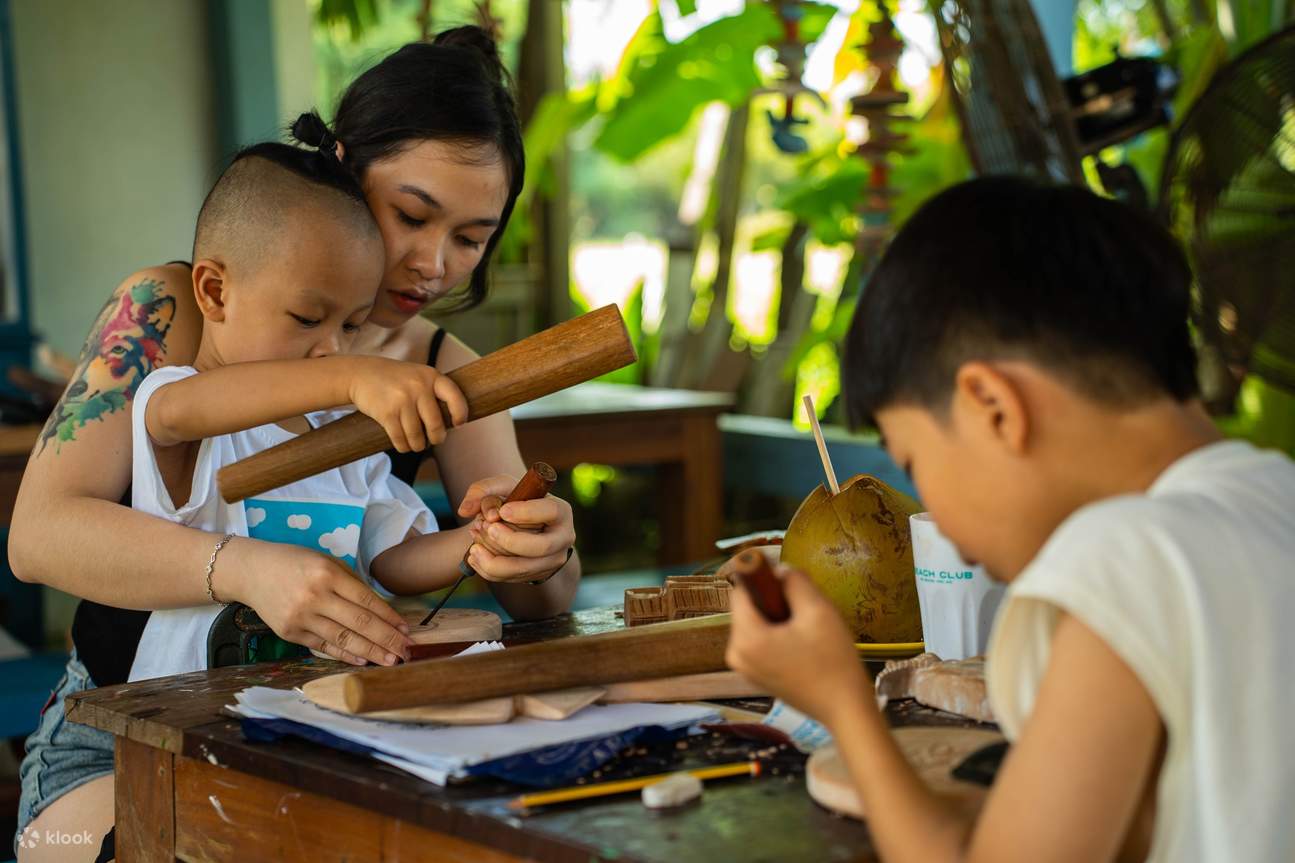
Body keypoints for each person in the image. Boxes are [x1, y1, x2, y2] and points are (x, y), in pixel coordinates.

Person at [10, 27, 579, 862]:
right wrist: (244, 567)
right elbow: (39, 536)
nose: (432, 263)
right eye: (411, 214)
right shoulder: (178, 313)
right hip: (117, 734)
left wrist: (535, 547)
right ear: (345, 167)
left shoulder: (447, 374)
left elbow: (538, 597)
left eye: (470, 236)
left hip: (326, 730)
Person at [727, 177, 1295, 862]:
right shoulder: (1275, 495)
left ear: (992, 406)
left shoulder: (1121, 558)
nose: (929, 507)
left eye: (915, 461)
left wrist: (840, 701)